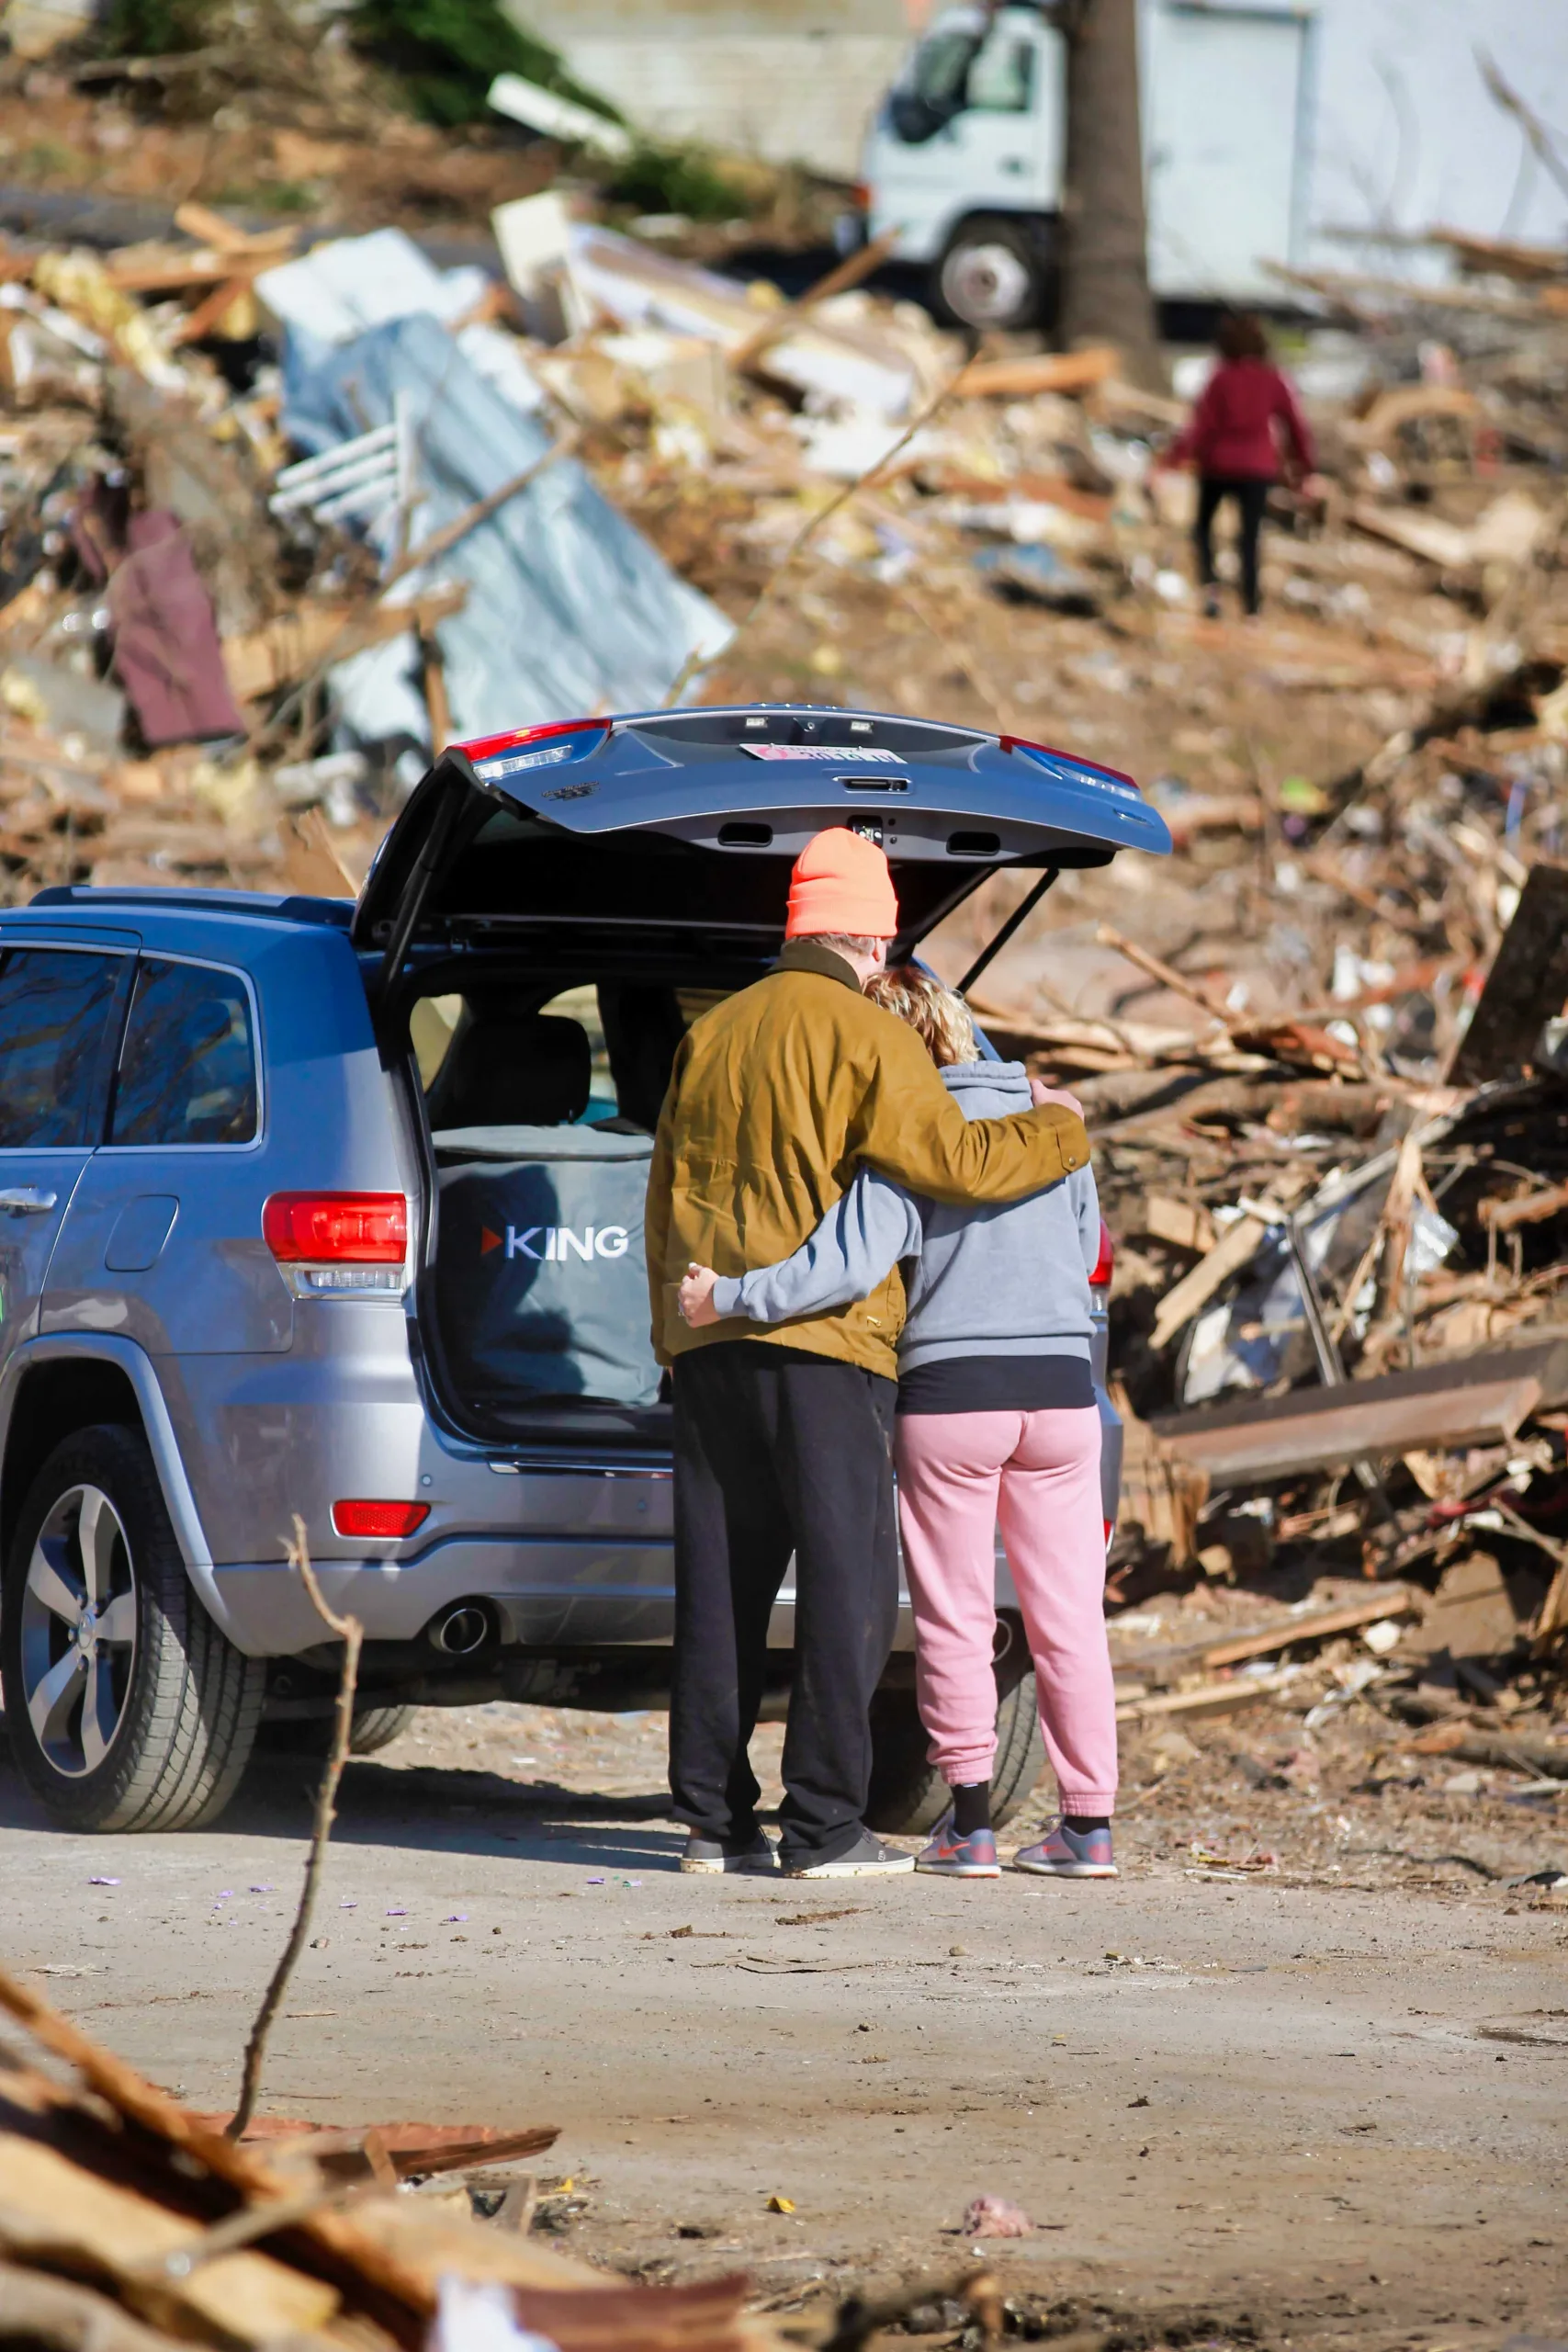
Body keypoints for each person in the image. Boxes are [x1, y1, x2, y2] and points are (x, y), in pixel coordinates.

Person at [645, 829, 1090, 1881]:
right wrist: (1063, 1134)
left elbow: (664, 1189)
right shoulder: (869, 1034)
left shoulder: (712, 1033)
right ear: (870, 932)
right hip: (826, 1347)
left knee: (719, 1586)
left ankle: (713, 1822)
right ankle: (823, 1827)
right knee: (846, 1586)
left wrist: (675, 1334)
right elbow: (955, 1161)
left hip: (710, 1343)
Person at [1167, 311, 1314, 620]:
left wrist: (1174, 458)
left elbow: (1200, 425)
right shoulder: (1272, 378)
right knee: (1250, 538)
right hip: (1257, 469)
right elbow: (1295, 426)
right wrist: (1305, 470)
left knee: (1204, 529)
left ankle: (1211, 589)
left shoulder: (1221, 377)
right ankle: (1251, 607)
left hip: (1218, 465)